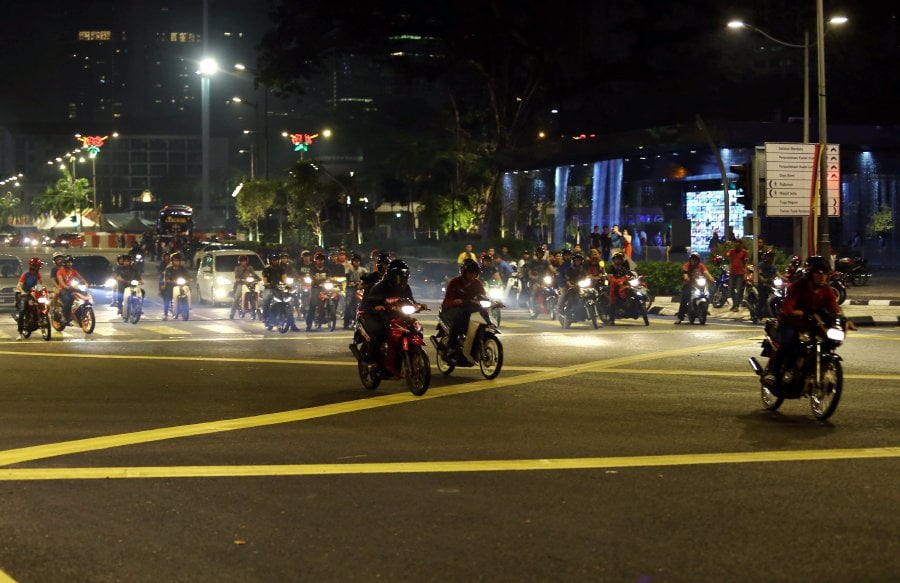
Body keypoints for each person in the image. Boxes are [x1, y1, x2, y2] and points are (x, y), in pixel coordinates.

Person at [763, 256, 855, 389]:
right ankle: (773, 373)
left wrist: (844, 321)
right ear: (810, 273)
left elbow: (835, 308)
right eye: (818, 272)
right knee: (789, 342)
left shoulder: (826, 290)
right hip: (791, 323)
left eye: (824, 273)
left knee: (826, 341)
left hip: (813, 324)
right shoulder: (797, 287)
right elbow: (787, 309)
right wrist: (801, 313)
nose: (822, 276)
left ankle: (810, 370)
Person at [358, 259, 424, 369]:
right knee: (379, 332)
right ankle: (371, 360)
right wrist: (377, 307)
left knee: (414, 327)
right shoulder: (379, 287)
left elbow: (410, 300)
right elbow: (368, 305)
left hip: (395, 315)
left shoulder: (405, 287)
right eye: (400, 275)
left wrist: (418, 306)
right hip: (377, 316)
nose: (403, 278)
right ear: (392, 275)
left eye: (404, 275)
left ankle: (409, 356)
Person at [440, 258, 486, 361]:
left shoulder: (478, 284)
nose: (473, 275)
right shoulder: (454, 282)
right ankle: (451, 346)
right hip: (452, 310)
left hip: (469, 310)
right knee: (458, 319)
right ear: (464, 272)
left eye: (475, 273)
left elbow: (483, 296)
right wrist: (454, 302)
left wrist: (494, 302)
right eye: (470, 273)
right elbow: (447, 300)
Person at [674, 252, 713, 324]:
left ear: (698, 260)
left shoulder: (701, 266)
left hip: (699, 285)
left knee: (708, 294)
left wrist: (711, 279)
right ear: (690, 260)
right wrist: (686, 278)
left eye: (696, 259)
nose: (694, 261)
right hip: (689, 285)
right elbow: (685, 273)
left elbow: (706, 273)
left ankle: (704, 309)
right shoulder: (687, 265)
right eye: (693, 259)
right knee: (684, 299)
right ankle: (680, 317)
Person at [15, 257, 45, 340]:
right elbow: (19, 285)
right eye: (38, 266)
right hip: (25, 295)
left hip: (33, 294)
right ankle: (20, 333)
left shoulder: (37, 274)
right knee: (22, 312)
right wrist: (22, 292)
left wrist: (44, 289)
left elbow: (42, 283)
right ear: (34, 266)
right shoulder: (25, 275)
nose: (39, 267)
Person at [54, 255, 88, 323]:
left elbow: (80, 278)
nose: (70, 264)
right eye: (68, 262)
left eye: (71, 262)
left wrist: (86, 283)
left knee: (85, 296)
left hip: (72, 289)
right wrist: (65, 286)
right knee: (69, 300)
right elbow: (61, 281)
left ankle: (79, 313)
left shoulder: (73, 271)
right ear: (65, 263)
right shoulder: (60, 271)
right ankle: (65, 316)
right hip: (63, 290)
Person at [161, 252, 191, 320]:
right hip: (172, 286)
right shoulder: (169, 269)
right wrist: (169, 281)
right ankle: (165, 314)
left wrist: (189, 278)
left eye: (178, 261)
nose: (177, 262)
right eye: (175, 261)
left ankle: (188, 306)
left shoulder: (182, 269)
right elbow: (167, 278)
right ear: (172, 261)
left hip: (182, 285)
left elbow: (187, 275)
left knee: (188, 290)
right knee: (167, 298)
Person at [305, 252, 331, 331]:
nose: (320, 261)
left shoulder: (327, 269)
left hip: (325, 288)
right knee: (313, 304)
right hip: (315, 288)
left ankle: (329, 317)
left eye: (322, 260)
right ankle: (309, 324)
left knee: (332, 299)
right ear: (316, 261)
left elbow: (329, 277)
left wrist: (325, 280)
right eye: (319, 260)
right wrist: (321, 280)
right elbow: (312, 278)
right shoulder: (312, 269)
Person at [606, 252, 633, 325]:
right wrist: (618, 282)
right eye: (617, 259)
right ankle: (612, 319)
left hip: (622, 286)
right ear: (614, 260)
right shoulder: (610, 268)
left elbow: (627, 276)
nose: (618, 260)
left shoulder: (623, 268)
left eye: (620, 259)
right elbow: (610, 278)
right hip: (613, 286)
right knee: (613, 300)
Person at [755, 249, 781, 321]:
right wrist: (763, 279)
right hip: (763, 285)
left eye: (771, 256)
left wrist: (784, 278)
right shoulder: (761, 265)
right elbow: (760, 274)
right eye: (769, 256)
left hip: (771, 285)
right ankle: (758, 314)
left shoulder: (773, 266)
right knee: (762, 299)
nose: (770, 258)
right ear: (766, 257)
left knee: (779, 296)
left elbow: (778, 274)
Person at [343, 253, 368, 329]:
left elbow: (366, 278)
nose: (356, 263)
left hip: (360, 289)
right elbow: (347, 279)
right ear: (352, 262)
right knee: (348, 304)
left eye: (358, 261)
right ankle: (346, 323)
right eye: (355, 261)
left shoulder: (363, 270)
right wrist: (353, 283)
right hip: (351, 289)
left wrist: (363, 284)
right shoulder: (349, 269)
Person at [726, 238, 749, 312]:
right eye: (736, 242)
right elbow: (727, 255)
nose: (737, 244)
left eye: (739, 243)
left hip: (740, 273)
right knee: (731, 289)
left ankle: (736, 306)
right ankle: (735, 304)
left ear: (741, 244)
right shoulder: (732, 251)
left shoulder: (744, 252)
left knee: (739, 290)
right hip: (732, 272)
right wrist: (726, 248)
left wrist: (746, 273)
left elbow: (746, 263)